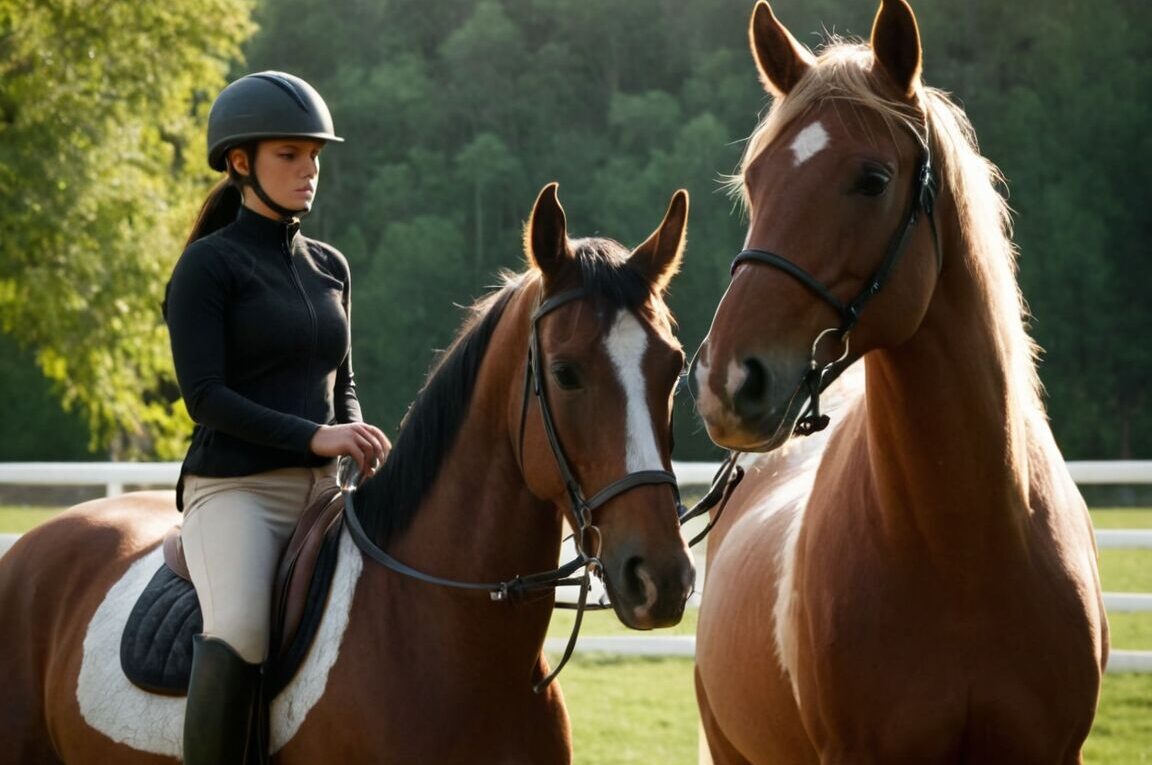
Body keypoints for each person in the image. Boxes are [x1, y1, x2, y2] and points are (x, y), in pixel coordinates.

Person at [163, 70, 391, 764]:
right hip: (237, 493)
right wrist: (315, 435)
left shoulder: (331, 266)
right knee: (240, 628)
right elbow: (206, 397)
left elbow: (340, 382)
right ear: (241, 162)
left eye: (314, 156)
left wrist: (354, 438)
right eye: (290, 155)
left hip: (327, 492)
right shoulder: (208, 268)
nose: (309, 170)